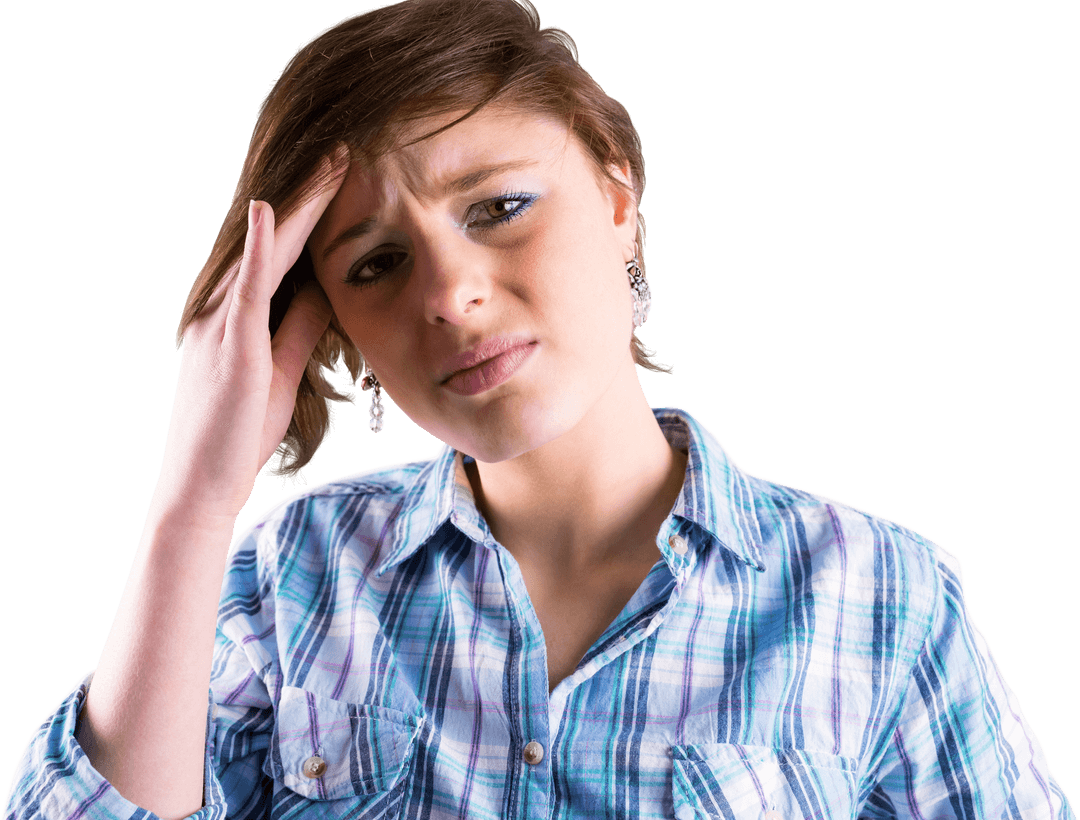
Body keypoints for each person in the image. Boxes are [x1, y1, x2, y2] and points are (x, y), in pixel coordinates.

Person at [3, 0, 1074, 817]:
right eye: (377, 264)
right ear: (334, 326)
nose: (450, 293)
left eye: (500, 207)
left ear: (618, 198)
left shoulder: (885, 600)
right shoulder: (292, 583)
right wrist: (195, 494)